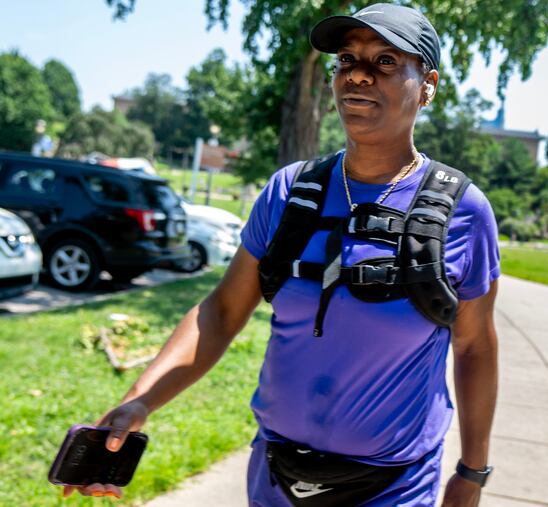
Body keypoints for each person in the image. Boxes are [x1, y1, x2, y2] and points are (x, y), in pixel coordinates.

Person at [61, 3, 499, 506]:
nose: (357, 75)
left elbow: (475, 348)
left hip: (393, 486)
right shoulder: (290, 191)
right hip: (275, 476)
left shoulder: (463, 211)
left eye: (384, 62)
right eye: (346, 60)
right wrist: (139, 400)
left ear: (428, 84)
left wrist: (473, 471)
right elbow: (222, 313)